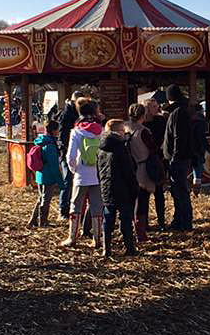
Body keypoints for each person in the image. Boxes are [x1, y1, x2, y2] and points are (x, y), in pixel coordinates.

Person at [60, 99, 104, 249]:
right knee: (97, 207)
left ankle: (72, 238)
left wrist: (74, 170)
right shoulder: (101, 130)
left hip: (81, 174)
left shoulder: (76, 131)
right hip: (97, 174)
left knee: (76, 206)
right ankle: (97, 239)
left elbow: (70, 156)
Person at [97, 119, 139, 258]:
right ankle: (129, 247)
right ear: (117, 132)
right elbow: (128, 171)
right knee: (125, 218)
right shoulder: (121, 148)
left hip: (107, 187)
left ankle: (106, 248)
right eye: (123, 130)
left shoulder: (102, 148)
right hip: (123, 189)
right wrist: (134, 188)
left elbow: (99, 170)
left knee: (108, 217)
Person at [125, 103, 163, 243]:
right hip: (142, 167)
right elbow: (153, 148)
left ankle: (130, 229)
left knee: (130, 200)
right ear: (143, 115)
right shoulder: (144, 131)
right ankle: (141, 232)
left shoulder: (124, 127)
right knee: (142, 200)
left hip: (128, 167)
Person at [162, 84, 193, 231]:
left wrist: (174, 157)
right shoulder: (181, 111)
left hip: (178, 158)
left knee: (180, 191)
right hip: (180, 157)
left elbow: (178, 137)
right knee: (178, 191)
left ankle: (184, 222)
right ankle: (180, 219)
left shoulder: (178, 113)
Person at [28, 119, 64, 228]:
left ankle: (32, 221)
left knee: (41, 198)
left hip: (40, 174)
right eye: (58, 130)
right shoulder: (50, 145)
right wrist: (60, 182)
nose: (59, 132)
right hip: (48, 176)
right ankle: (43, 222)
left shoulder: (42, 141)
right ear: (53, 131)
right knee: (45, 200)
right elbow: (54, 166)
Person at [144, 95, 168, 230]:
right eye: (152, 107)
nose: (156, 108)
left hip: (158, 159)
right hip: (145, 160)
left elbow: (165, 138)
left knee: (159, 192)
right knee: (145, 194)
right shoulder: (142, 124)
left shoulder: (160, 121)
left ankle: (161, 222)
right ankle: (144, 222)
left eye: (156, 106)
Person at [57, 91, 81, 221]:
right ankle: (63, 210)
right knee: (68, 181)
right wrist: (65, 150)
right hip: (67, 152)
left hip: (74, 151)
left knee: (73, 182)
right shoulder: (66, 113)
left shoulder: (76, 113)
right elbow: (62, 135)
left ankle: (72, 209)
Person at [190, 101, 209, 195]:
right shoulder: (200, 122)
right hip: (198, 150)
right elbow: (202, 138)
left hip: (189, 149)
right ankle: (196, 191)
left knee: (194, 170)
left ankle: (193, 189)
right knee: (198, 171)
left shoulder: (189, 120)